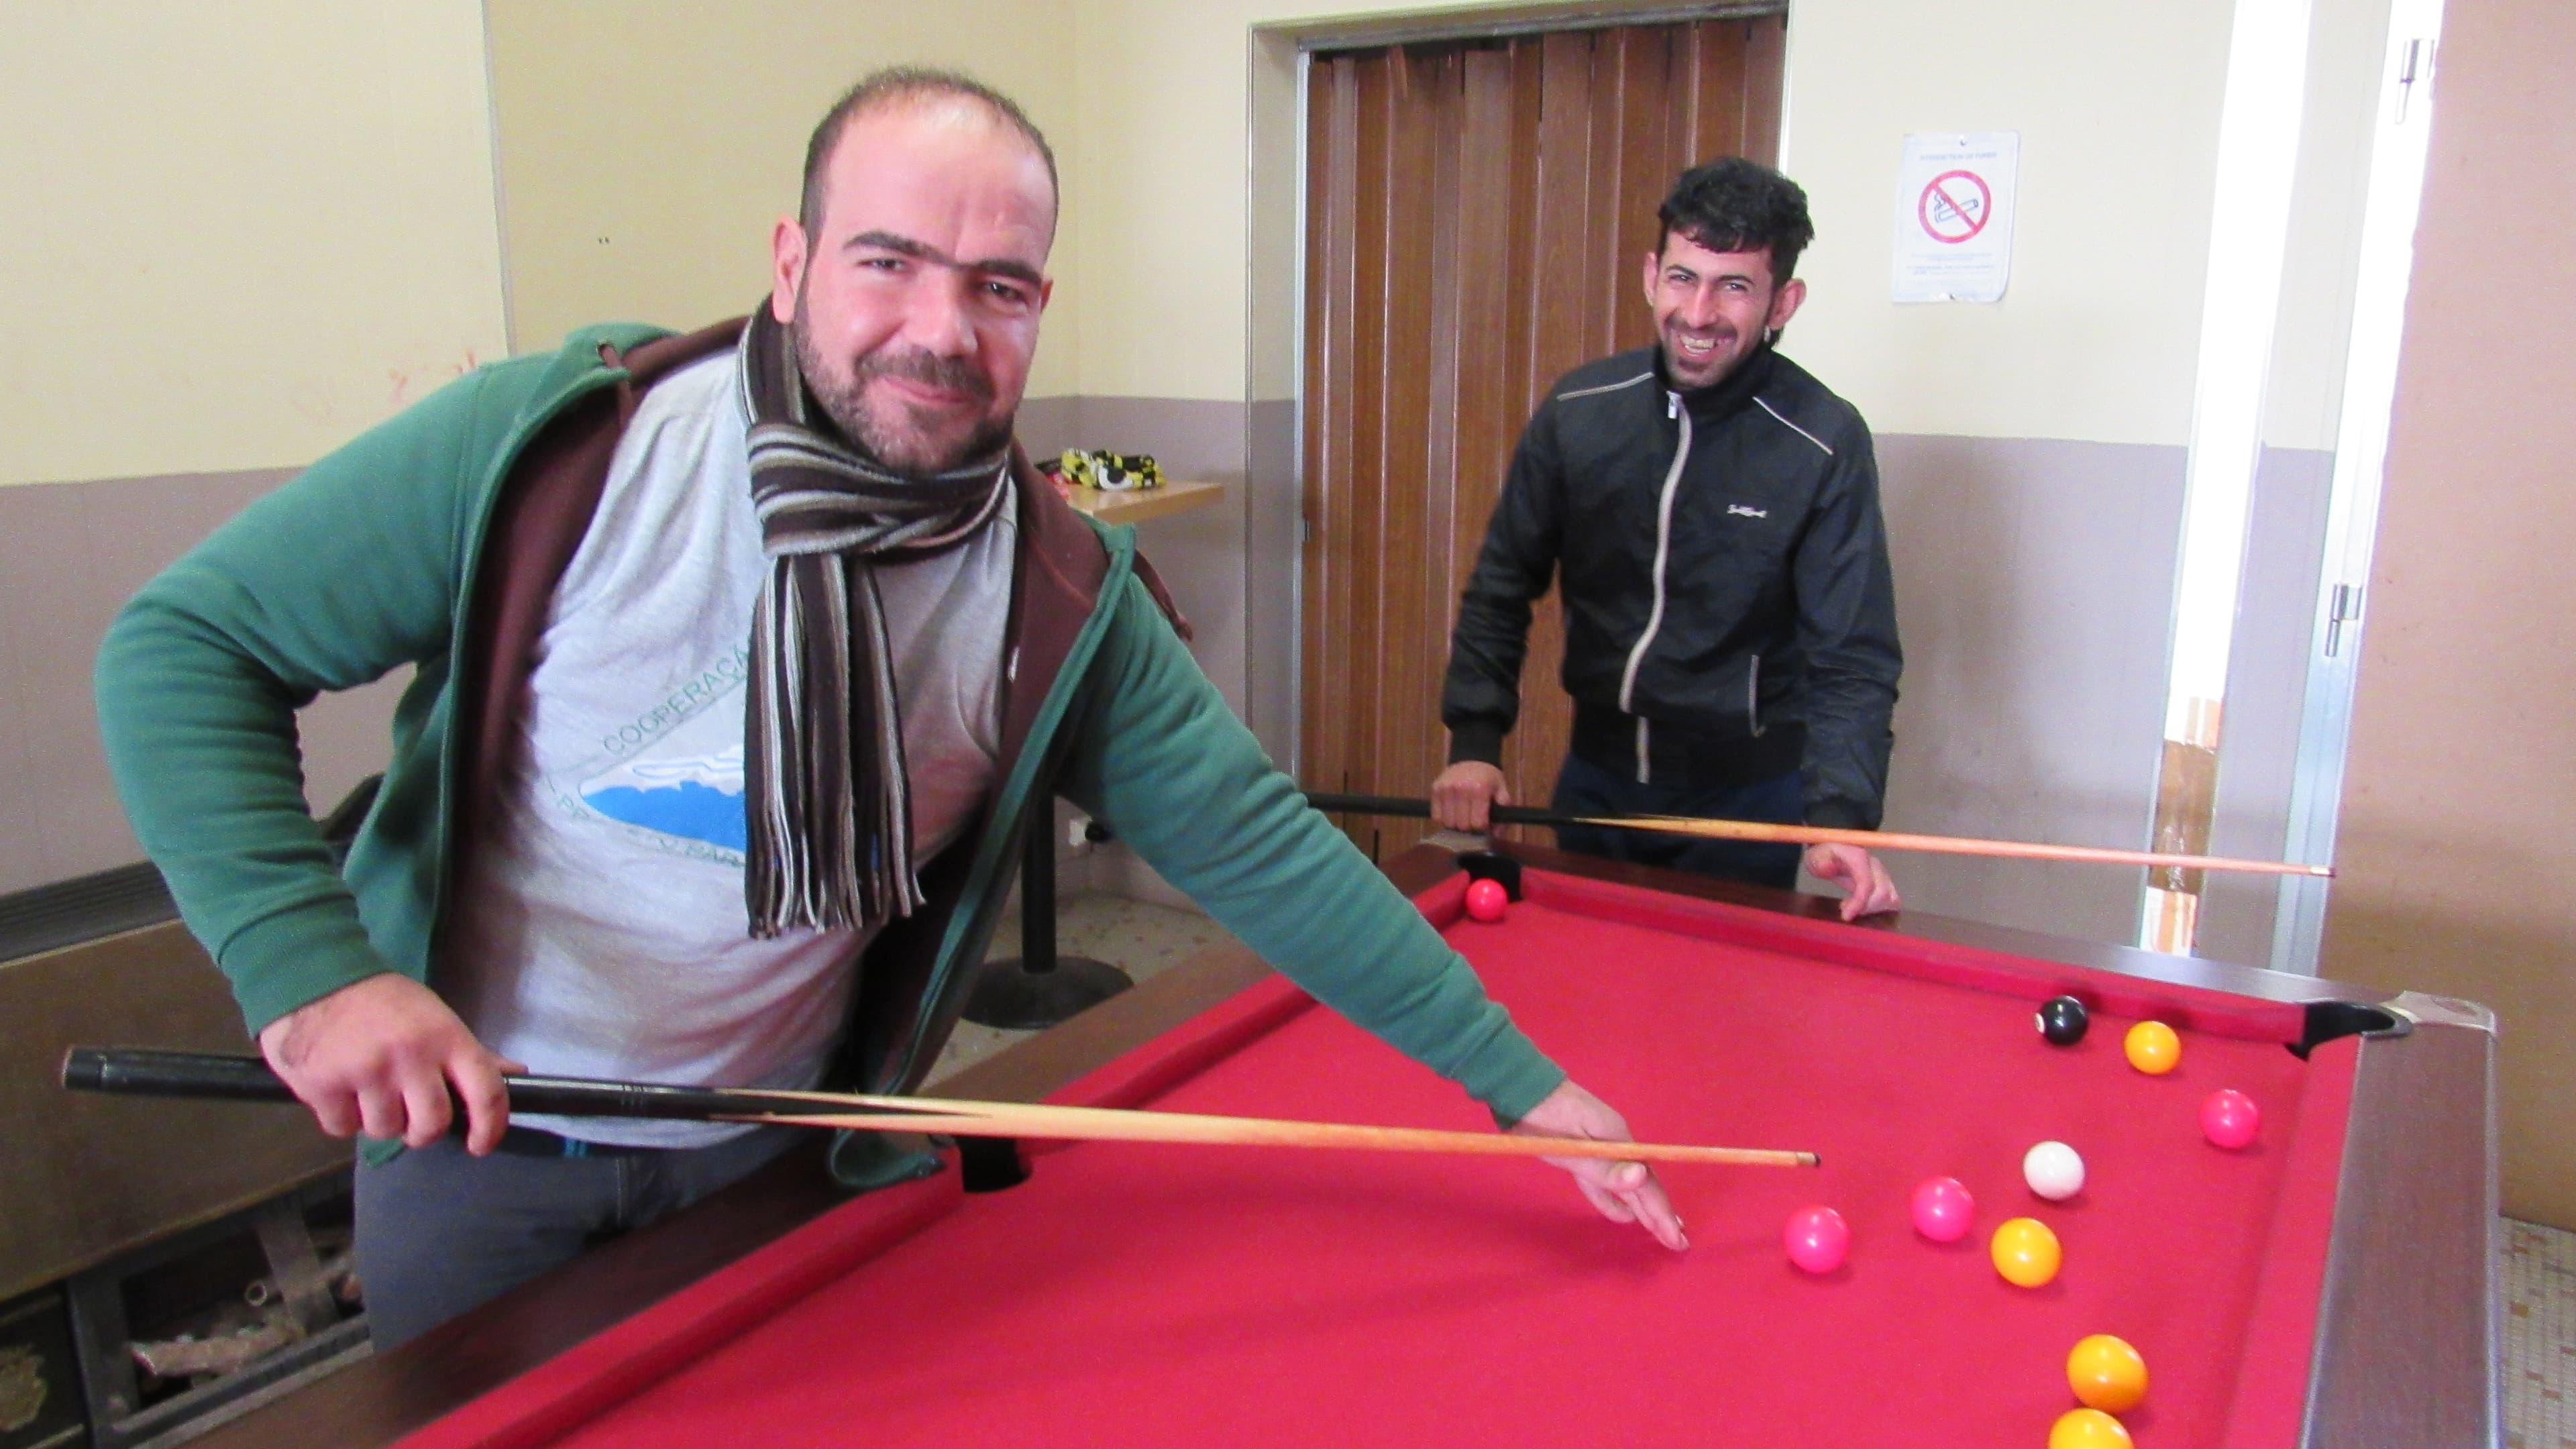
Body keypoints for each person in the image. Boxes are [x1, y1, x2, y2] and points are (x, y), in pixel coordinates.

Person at [95, 69, 1684, 1348]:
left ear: (1040, 305)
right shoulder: (565, 446)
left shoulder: (1058, 591)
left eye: (997, 285)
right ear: (790, 264)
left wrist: (1522, 1085)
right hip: (482, 1156)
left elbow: (1259, 844)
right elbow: (182, 648)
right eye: (887, 261)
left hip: (780, 1150)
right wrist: (313, 975)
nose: (941, 328)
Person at [1430, 158, 1904, 922]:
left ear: (1783, 301)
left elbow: (1852, 656)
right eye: (1684, 278)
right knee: (1587, 982)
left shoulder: (1823, 441)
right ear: (1652, 276)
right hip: (1596, 785)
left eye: (1734, 286)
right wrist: (1475, 744)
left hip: (1748, 807)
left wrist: (1840, 817)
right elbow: (1502, 584)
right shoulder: (1581, 411)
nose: (1700, 312)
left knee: (1719, 996)